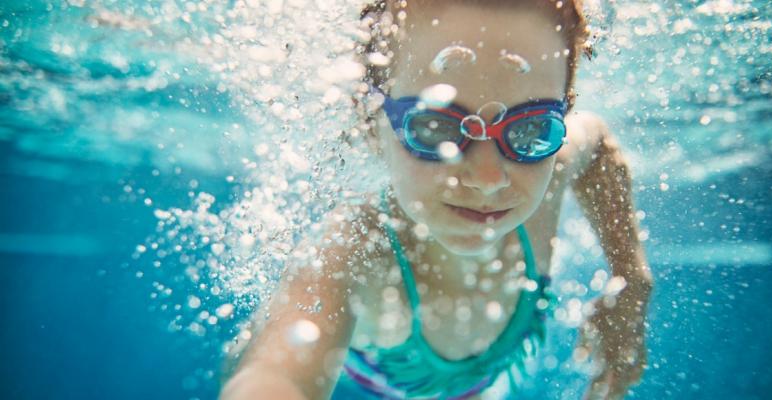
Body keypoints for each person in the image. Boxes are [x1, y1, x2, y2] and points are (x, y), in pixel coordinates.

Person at [220, 0, 653, 399]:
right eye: (434, 127)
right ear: (373, 124)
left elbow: (595, 144)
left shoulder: (553, 170)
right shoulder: (355, 252)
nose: (487, 179)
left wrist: (632, 281)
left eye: (531, 128)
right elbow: (276, 376)